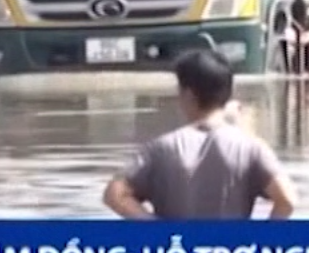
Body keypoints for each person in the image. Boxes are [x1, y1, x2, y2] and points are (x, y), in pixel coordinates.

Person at [102, 49, 297, 220]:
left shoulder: (160, 149)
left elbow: (115, 195)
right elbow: (287, 201)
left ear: (188, 94)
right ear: (228, 92)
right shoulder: (251, 148)